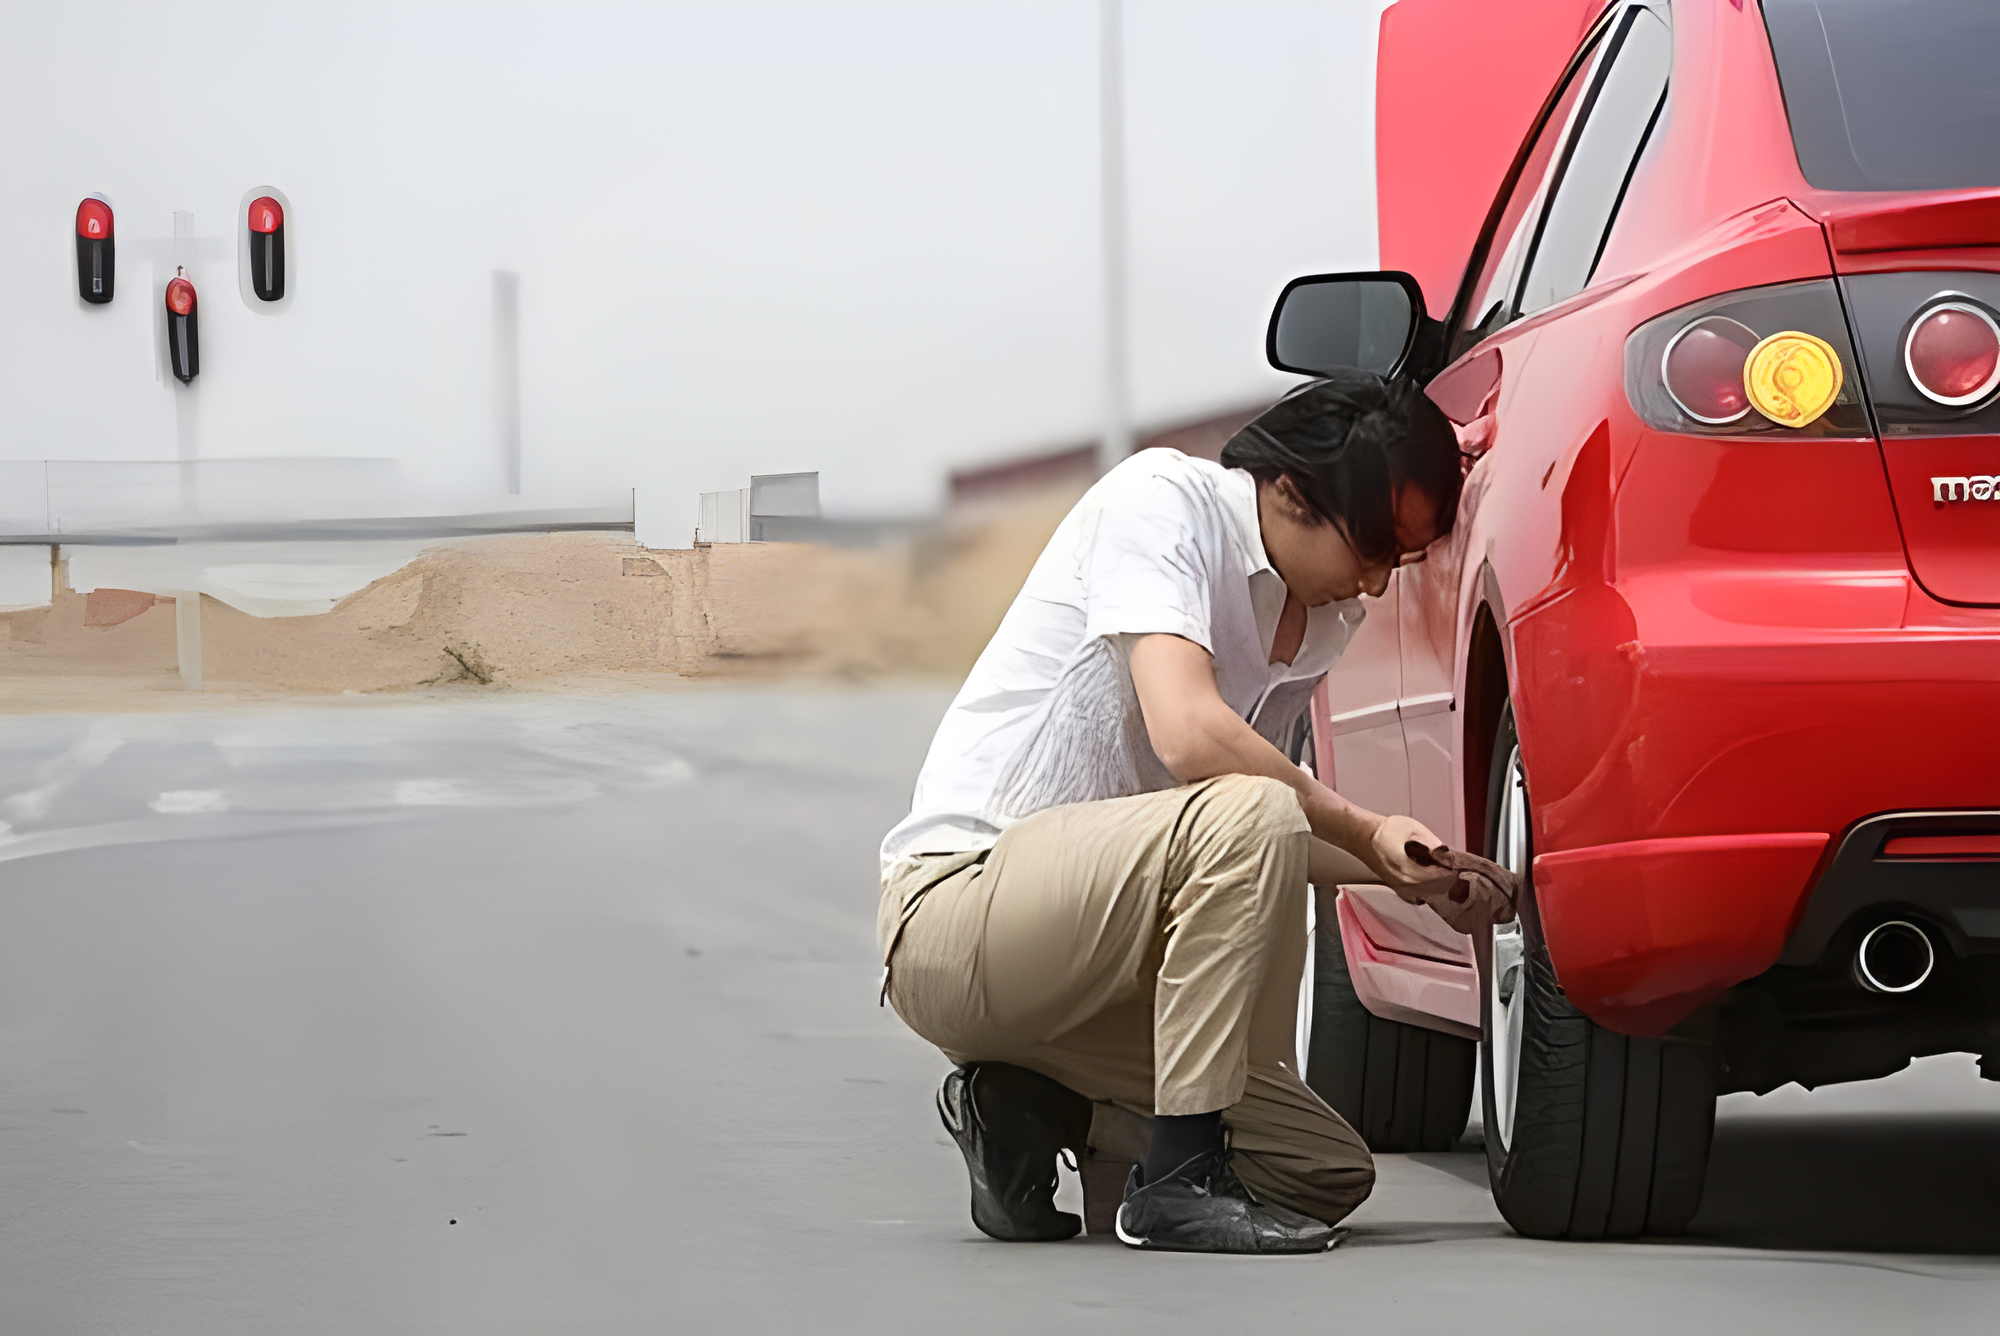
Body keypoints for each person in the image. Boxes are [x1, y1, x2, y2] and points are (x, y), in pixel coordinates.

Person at [877, 370, 1485, 1255]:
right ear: (1288, 492)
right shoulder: (1161, 502)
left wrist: (1410, 871)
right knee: (1253, 811)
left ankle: (1028, 1105)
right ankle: (1176, 1181)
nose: (1380, 585)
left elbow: (1244, 839)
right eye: (1374, 547)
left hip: (1097, 954)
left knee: (1320, 1171)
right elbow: (1195, 743)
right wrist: (1361, 825)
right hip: (962, 914)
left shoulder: (1320, 620)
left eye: (1404, 558)